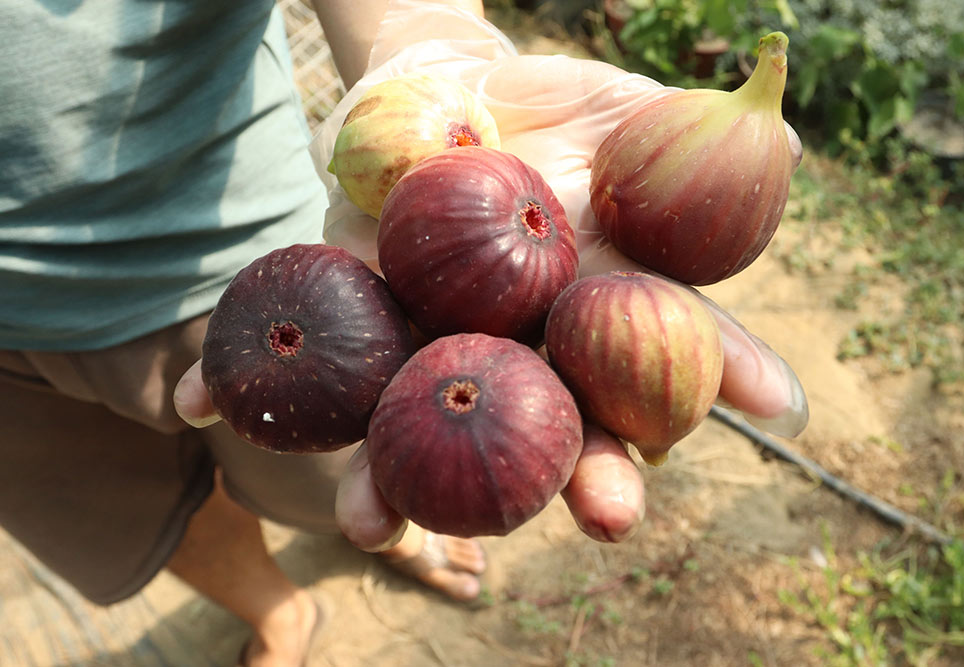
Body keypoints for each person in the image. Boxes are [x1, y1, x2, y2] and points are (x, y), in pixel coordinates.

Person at [0, 1, 808, 665]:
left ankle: (394, 547)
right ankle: (274, 607)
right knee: (115, 498)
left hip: (232, 235)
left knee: (334, 481)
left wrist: (420, 40)